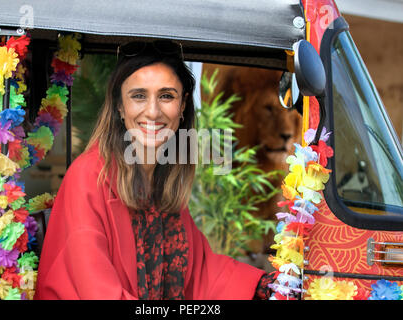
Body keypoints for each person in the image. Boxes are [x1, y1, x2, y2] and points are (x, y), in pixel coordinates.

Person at [34, 40, 276, 300]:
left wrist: (266, 285)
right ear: (119, 105)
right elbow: (98, 291)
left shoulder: (161, 183)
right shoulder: (89, 176)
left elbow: (201, 272)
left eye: (166, 96)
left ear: (182, 106)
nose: (152, 111)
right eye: (139, 96)